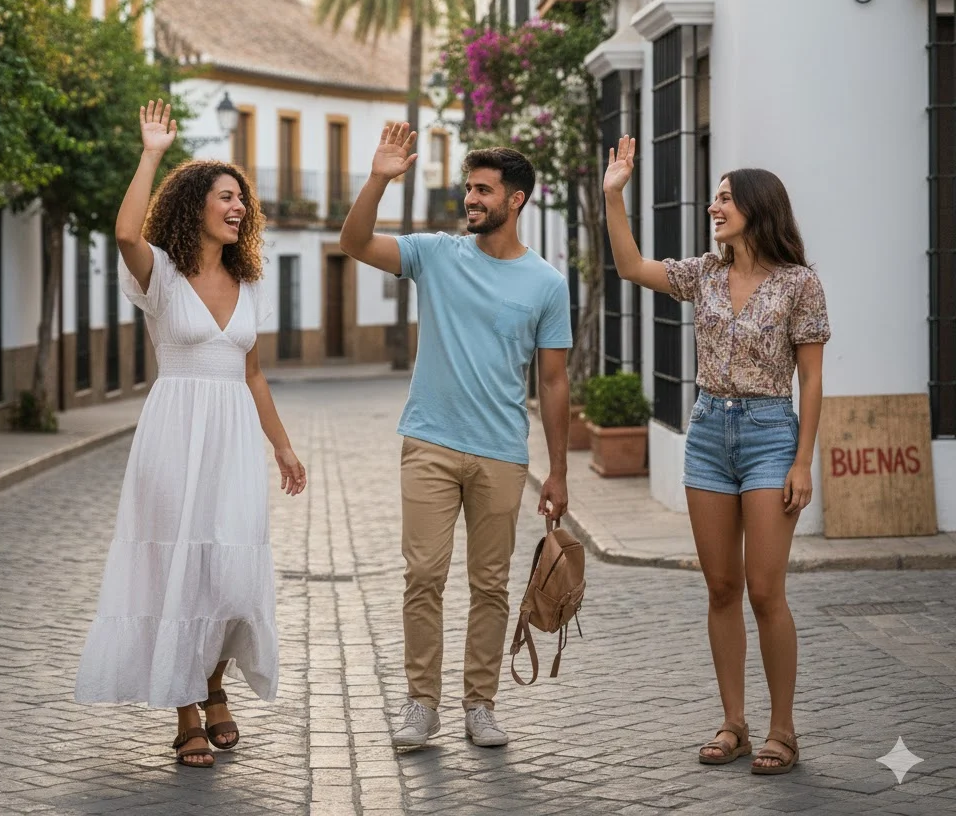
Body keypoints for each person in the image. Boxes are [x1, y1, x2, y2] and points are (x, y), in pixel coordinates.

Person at [74, 99, 307, 768]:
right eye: (225, 196)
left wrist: (283, 446)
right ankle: (188, 712)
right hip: (174, 436)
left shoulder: (250, 281)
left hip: (233, 440)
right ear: (193, 206)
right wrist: (151, 151)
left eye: (242, 199)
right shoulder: (161, 276)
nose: (239, 207)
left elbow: (254, 374)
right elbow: (123, 234)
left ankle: (215, 681)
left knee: (226, 568)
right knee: (176, 565)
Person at [340, 124, 573, 750]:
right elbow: (354, 241)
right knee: (423, 575)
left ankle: (480, 704)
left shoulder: (547, 285)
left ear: (515, 199)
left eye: (483, 190)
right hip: (430, 444)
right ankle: (422, 703)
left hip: (501, 453)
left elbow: (553, 382)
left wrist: (558, 471)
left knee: (490, 585)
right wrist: (380, 178)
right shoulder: (436, 254)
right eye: (468, 188)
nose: (471, 199)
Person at [602, 135, 829, 776]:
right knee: (722, 588)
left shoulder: (799, 284)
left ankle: (783, 730)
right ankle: (734, 722)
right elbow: (631, 267)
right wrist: (614, 195)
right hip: (707, 431)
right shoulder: (704, 273)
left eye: (726, 197)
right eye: (715, 196)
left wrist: (802, 460)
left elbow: (810, 378)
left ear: (758, 207)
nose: (714, 205)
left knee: (764, 590)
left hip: (768, 433)